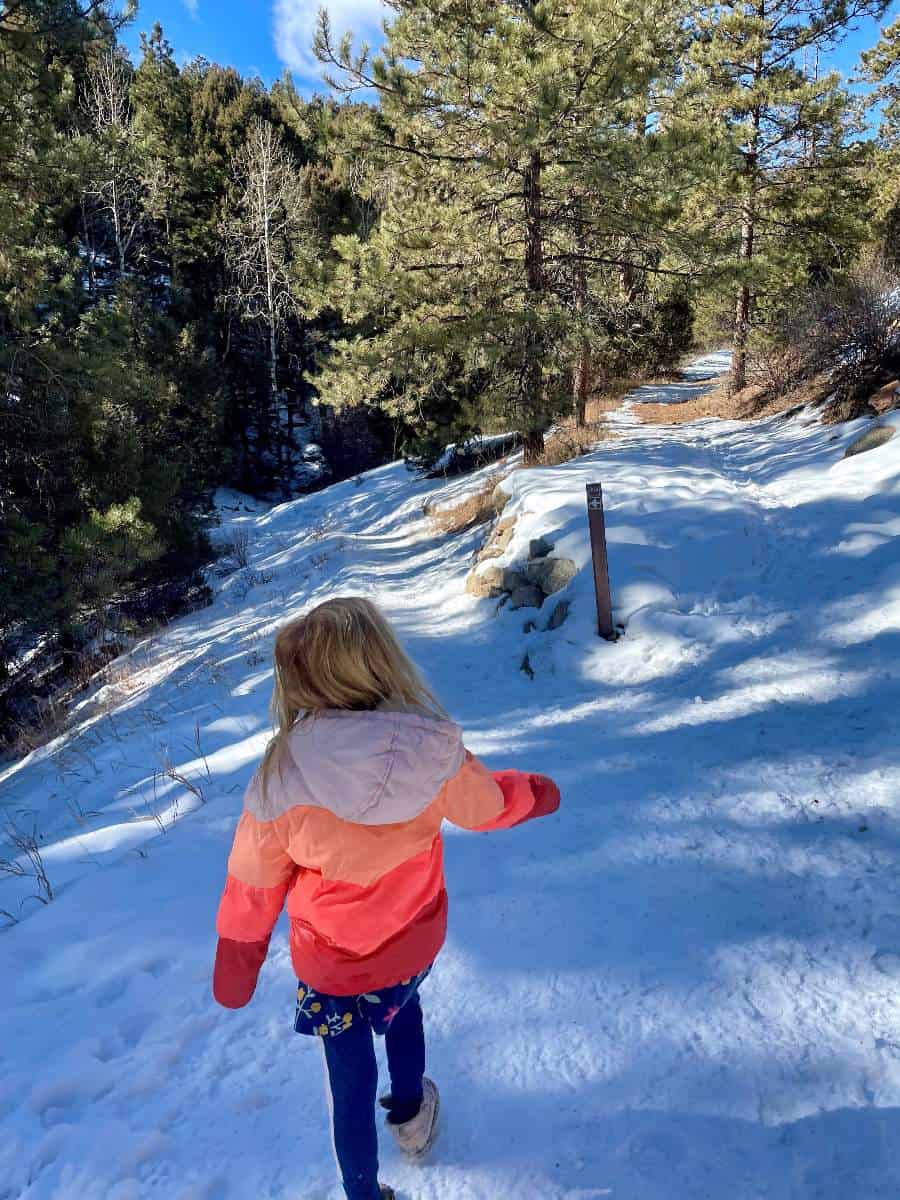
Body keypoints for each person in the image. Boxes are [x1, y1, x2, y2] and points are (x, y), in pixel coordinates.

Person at [212, 596, 561, 1200]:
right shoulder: (433, 748)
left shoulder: (280, 777)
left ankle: (363, 1193)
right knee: (404, 1015)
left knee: (347, 1080)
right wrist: (533, 793)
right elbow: (486, 808)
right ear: (382, 662)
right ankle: (411, 1117)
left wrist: (236, 964)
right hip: (410, 939)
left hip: (331, 965)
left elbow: (253, 884)